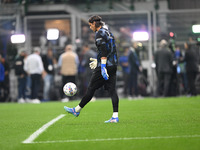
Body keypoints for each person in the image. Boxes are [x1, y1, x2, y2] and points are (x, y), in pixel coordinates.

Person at [64, 15, 119, 123]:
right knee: (112, 90)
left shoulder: (99, 34)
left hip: (105, 66)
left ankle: (77, 110)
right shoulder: (108, 32)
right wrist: (98, 60)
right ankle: (115, 116)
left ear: (94, 23)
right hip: (113, 65)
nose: (90, 28)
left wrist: (102, 66)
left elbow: (103, 51)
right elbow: (110, 50)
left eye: (90, 25)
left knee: (91, 89)